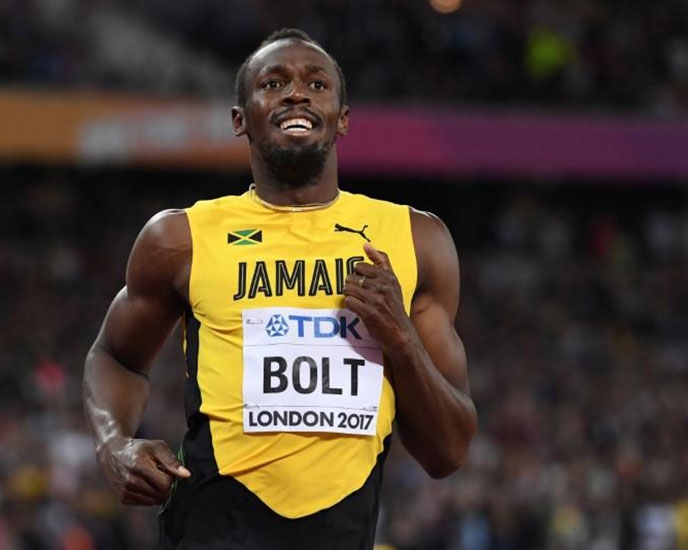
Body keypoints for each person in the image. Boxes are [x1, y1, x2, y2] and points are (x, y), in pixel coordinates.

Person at [83, 28, 477, 549]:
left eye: (317, 84)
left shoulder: (415, 240)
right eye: (273, 84)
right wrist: (114, 445)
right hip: (209, 532)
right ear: (239, 119)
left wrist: (401, 338)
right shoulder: (180, 239)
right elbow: (114, 356)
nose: (296, 94)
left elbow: (448, 452)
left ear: (342, 118)